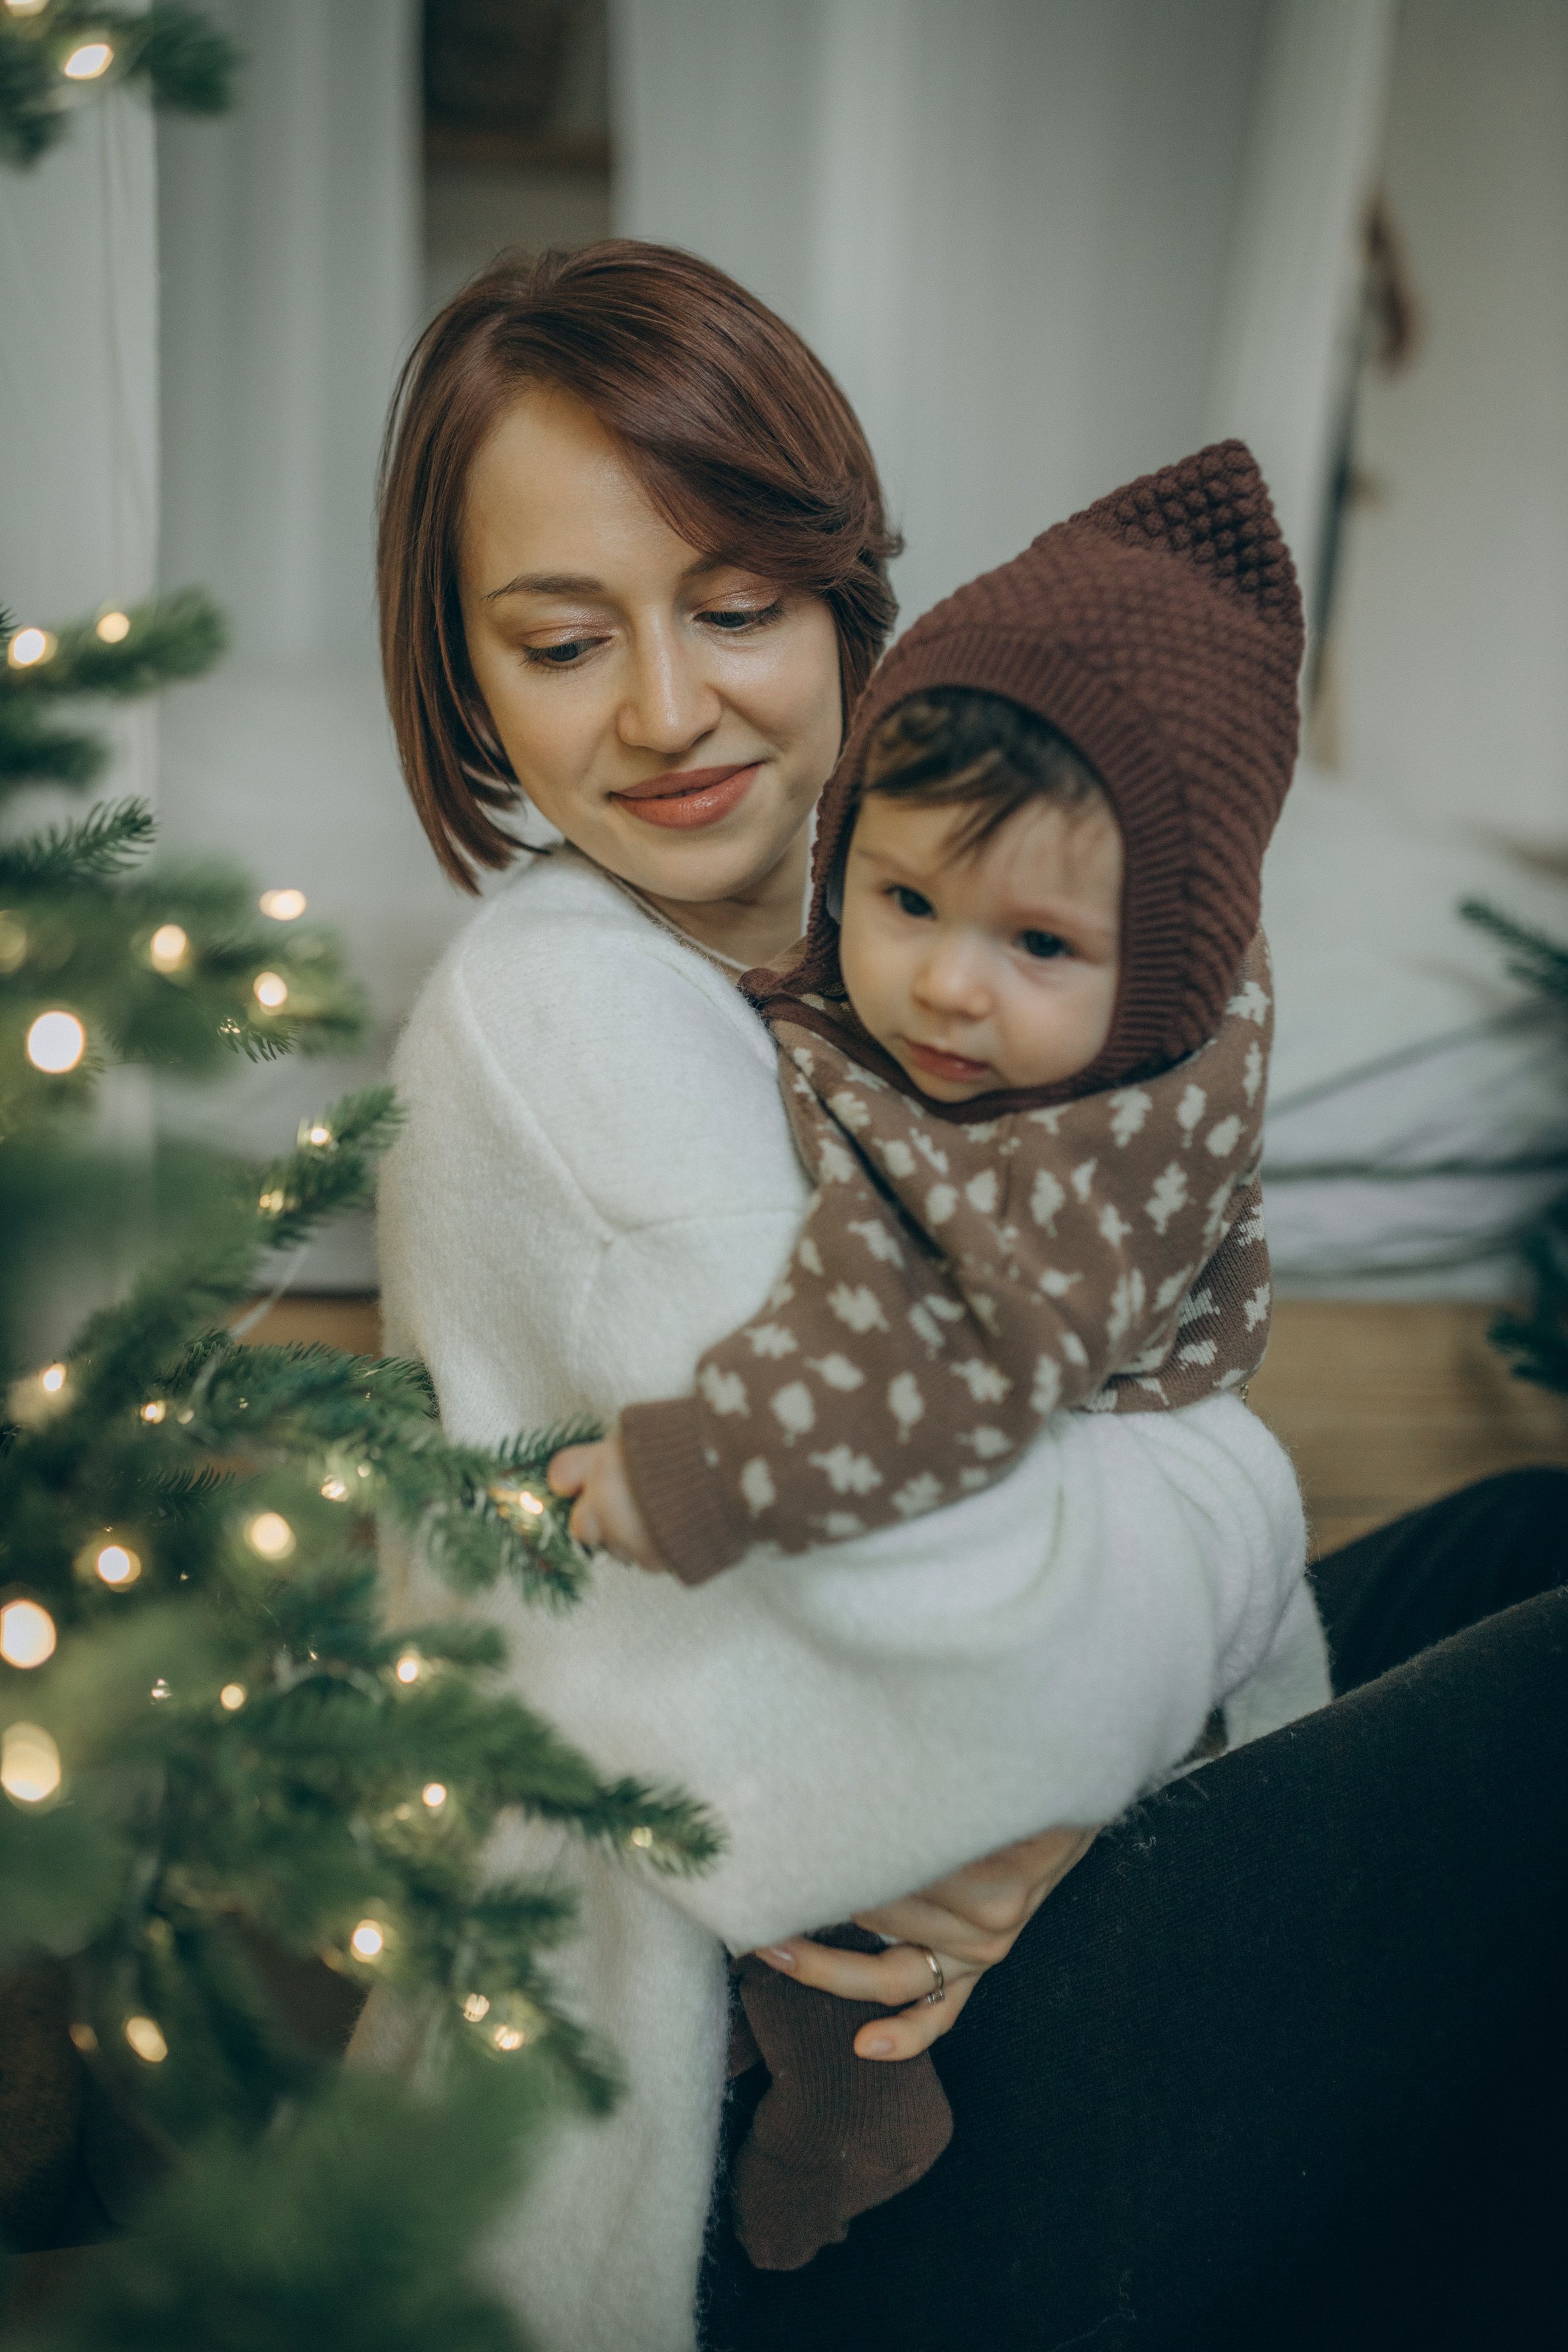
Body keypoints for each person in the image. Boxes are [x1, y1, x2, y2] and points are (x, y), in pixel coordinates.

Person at [357, 241, 1567, 2352]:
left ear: (843, 595)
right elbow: (939, 1590)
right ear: (470, 683)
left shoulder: (941, 905)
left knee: (1543, 1534)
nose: (667, 711)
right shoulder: (558, 1031)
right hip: (784, 2110)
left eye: (734, 608)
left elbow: (1124, 1323)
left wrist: (1106, 1702)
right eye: (563, 645)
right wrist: (1142, 1631)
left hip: (1046, 1844)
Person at [545, 443, 1306, 2271]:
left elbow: (953, 1355)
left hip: (1067, 1587)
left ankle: (857, 2111)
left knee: (862, 1819)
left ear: (1165, 968)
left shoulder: (1116, 1127)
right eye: (900, 907)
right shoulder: (967, 1012)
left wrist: (700, 1466)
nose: (950, 992)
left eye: (1037, 943)